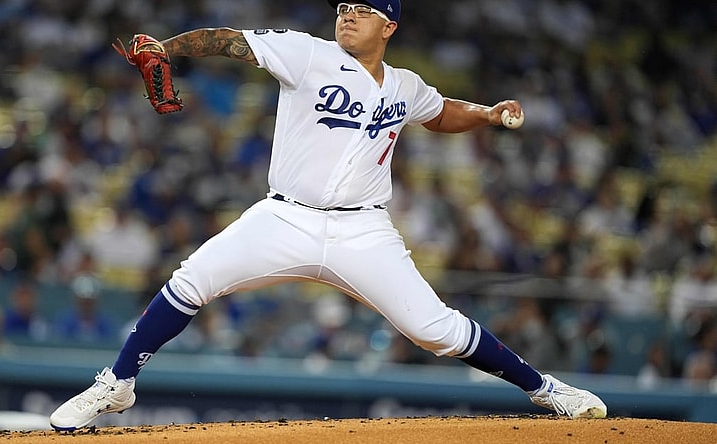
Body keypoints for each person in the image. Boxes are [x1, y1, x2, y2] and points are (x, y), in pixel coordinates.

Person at [50, 0, 607, 430]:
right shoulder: (308, 53)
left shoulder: (405, 85)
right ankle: (117, 383)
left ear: (388, 25)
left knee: (435, 329)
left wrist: (485, 113)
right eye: (343, 7)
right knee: (190, 281)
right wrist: (168, 48)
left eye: (362, 9)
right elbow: (229, 41)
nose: (347, 15)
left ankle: (546, 390)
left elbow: (439, 114)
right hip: (284, 218)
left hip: (362, 228)